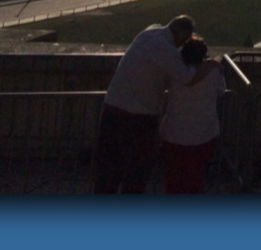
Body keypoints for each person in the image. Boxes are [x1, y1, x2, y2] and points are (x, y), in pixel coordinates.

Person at [92, 15, 218, 194]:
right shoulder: (165, 49)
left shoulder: (149, 32)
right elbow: (187, 76)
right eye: (182, 42)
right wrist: (210, 65)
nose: (180, 47)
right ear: (181, 35)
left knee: (107, 173)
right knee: (136, 174)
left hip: (112, 107)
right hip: (137, 118)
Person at [159, 36, 227, 194]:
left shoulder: (175, 73)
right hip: (202, 135)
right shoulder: (214, 73)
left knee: (173, 182)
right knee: (195, 182)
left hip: (173, 134)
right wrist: (212, 64)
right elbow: (221, 91)